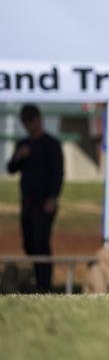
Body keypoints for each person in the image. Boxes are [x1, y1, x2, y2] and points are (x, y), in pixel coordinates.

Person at [6, 104, 64, 292]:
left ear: (39, 119)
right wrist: (18, 156)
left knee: (41, 241)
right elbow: (11, 169)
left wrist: (53, 197)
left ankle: (44, 284)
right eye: (25, 121)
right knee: (29, 242)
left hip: (45, 202)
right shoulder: (23, 145)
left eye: (31, 120)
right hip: (28, 202)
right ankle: (38, 277)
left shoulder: (51, 144)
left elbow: (58, 173)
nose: (29, 125)